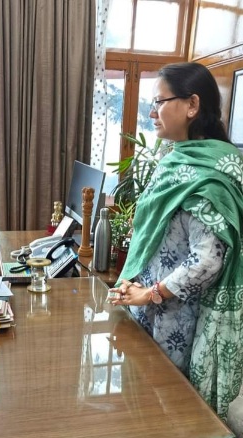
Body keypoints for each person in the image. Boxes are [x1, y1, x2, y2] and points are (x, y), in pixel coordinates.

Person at [108, 62, 243, 421]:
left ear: (192, 105)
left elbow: (206, 261)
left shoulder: (209, 175)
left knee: (166, 409)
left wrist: (151, 293)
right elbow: (155, 234)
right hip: (149, 300)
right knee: (139, 403)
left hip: (178, 316)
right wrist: (133, 283)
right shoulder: (176, 159)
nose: (151, 112)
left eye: (159, 102)